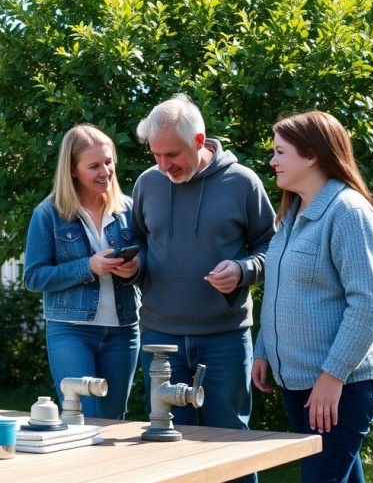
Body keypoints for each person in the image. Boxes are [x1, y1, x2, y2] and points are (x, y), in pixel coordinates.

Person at [132, 94, 275, 482]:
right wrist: (133, 265)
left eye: (172, 155)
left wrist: (244, 270)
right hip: (161, 336)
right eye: (156, 155)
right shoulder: (148, 183)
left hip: (224, 336)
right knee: (169, 447)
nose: (163, 165)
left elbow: (271, 249)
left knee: (229, 443)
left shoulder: (242, 182)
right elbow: (139, 244)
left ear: (199, 141)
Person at [253, 111, 373, 483]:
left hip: (343, 386)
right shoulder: (292, 214)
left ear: (311, 155)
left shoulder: (349, 213)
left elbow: (369, 303)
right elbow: (281, 289)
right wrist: (264, 349)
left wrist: (332, 378)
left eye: (281, 152)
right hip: (300, 385)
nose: (272, 161)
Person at [23, 124, 142, 419]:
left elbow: (150, 262)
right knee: (82, 417)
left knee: (113, 420)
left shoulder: (129, 209)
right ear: (73, 170)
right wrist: (87, 267)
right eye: (94, 166)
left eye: (108, 161)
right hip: (70, 331)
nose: (105, 171)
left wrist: (135, 270)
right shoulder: (48, 214)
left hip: (123, 330)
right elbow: (33, 277)